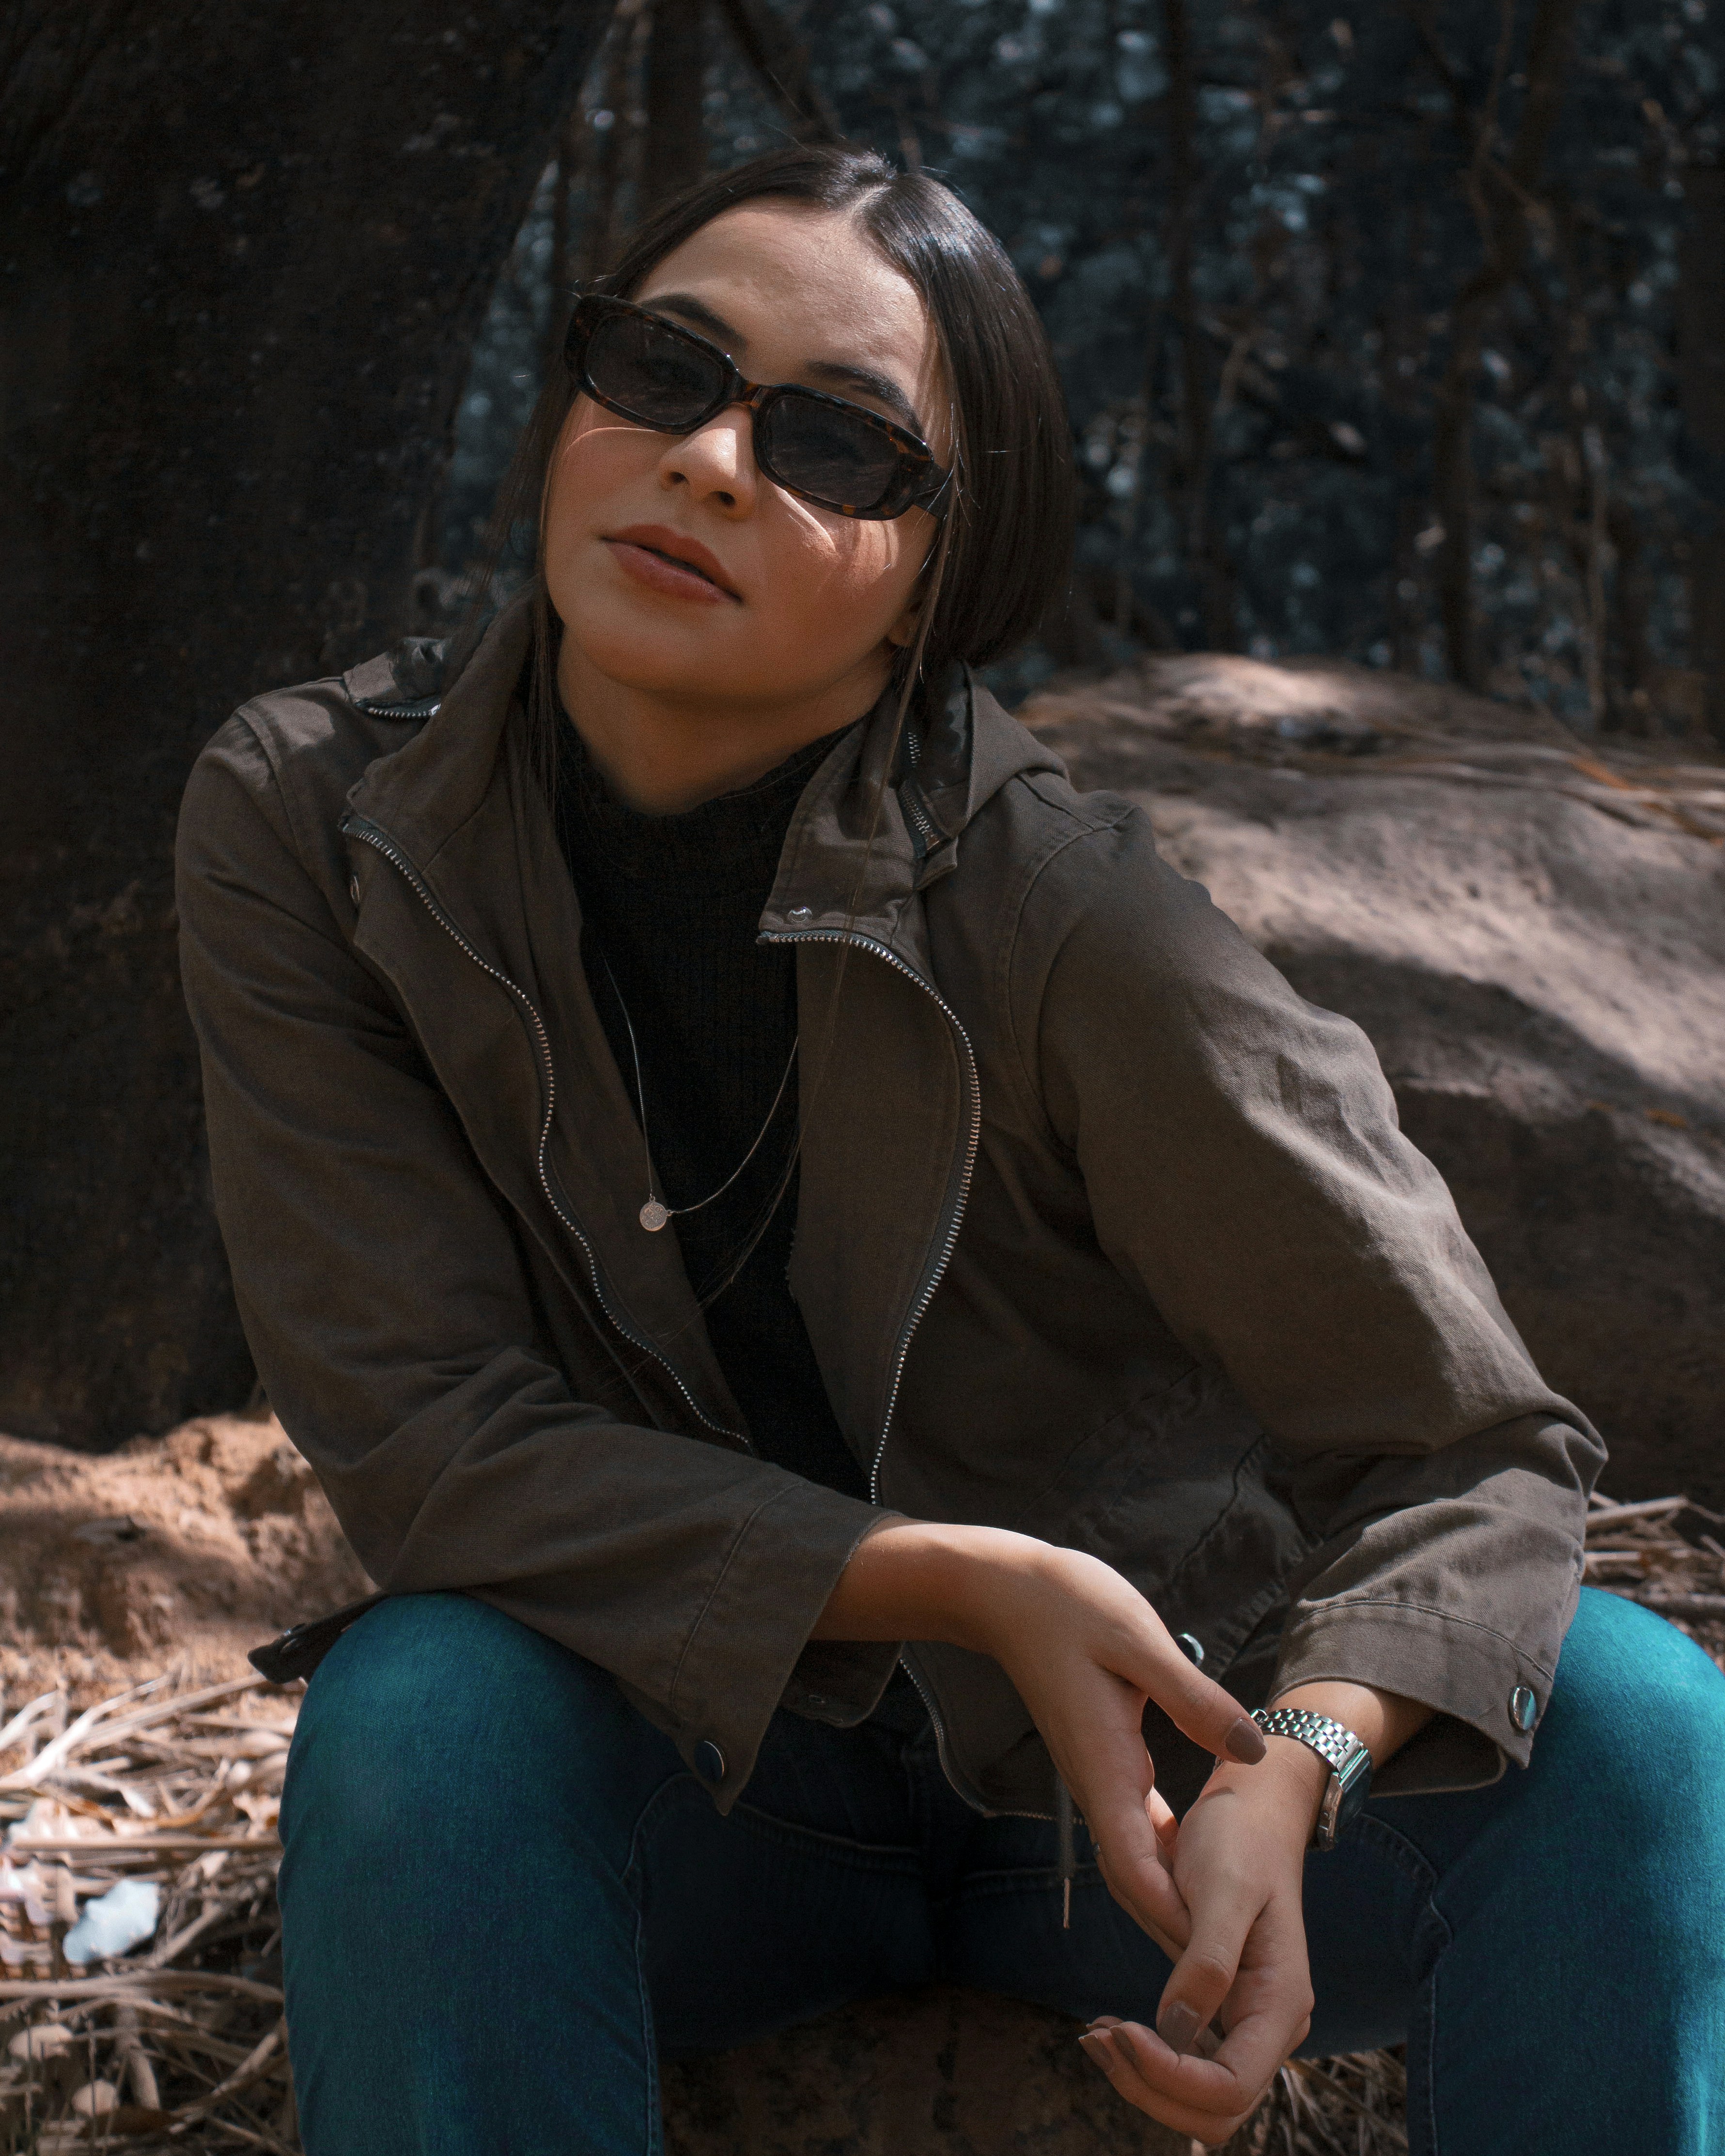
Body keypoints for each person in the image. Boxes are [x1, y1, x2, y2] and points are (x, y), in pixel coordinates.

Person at [175, 145, 1725, 2155]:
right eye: (663, 367)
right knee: (421, 1719)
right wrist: (963, 1583)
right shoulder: (314, 824)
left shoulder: (1073, 920)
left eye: (839, 446)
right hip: (687, 1781)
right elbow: (422, 1431)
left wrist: (1307, 1762)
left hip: (1139, 1825)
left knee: (1641, 1738)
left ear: (944, 577)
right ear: (573, 399)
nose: (716, 460)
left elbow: (1479, 1450)